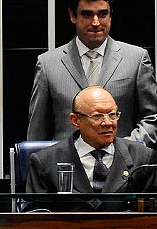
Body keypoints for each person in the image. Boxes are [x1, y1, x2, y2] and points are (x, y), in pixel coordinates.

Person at [27, 0, 157, 148]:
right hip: (67, 168)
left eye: (103, 14)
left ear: (111, 15)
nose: (96, 22)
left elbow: (152, 117)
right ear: (73, 15)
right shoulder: (48, 64)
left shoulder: (136, 59)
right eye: (87, 14)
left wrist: (126, 148)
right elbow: (38, 130)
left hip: (122, 168)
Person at [26, 86, 157, 211]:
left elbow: (150, 216)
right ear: (75, 120)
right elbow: (36, 218)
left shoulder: (143, 159)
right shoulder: (44, 162)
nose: (108, 123)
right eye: (97, 116)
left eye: (112, 114)